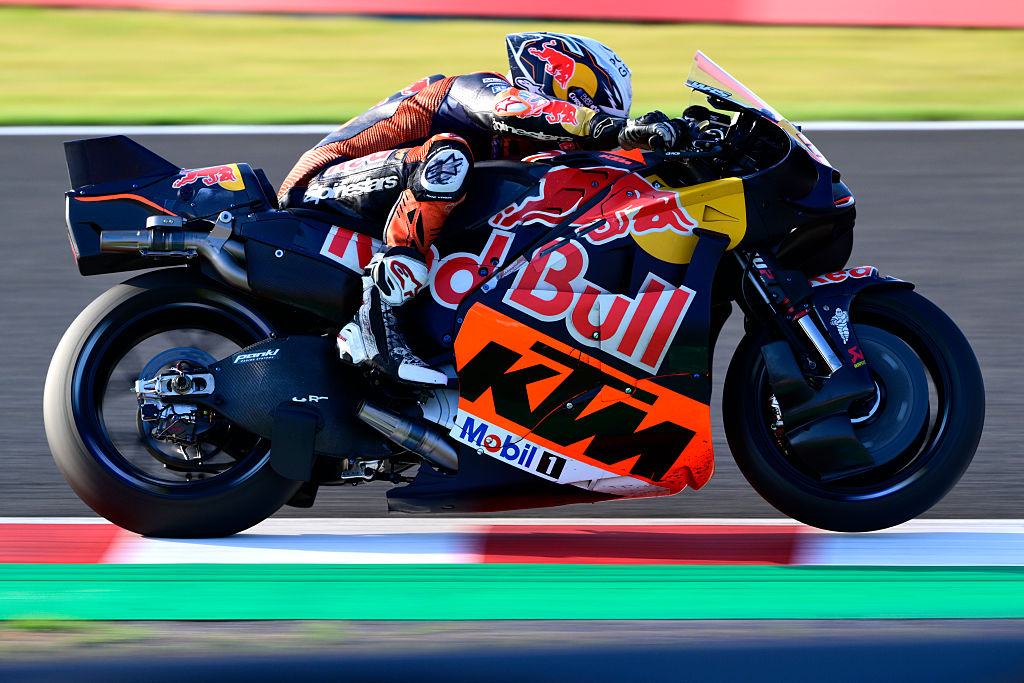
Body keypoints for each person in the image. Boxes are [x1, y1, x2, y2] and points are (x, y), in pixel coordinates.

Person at [278, 31, 684, 386]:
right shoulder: (478, 88)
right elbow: (524, 111)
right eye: (588, 108)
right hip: (319, 183)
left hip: (386, 193)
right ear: (556, 83)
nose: (586, 140)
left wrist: (672, 140)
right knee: (448, 158)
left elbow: (615, 157)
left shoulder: (529, 140)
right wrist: (601, 127)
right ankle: (377, 321)